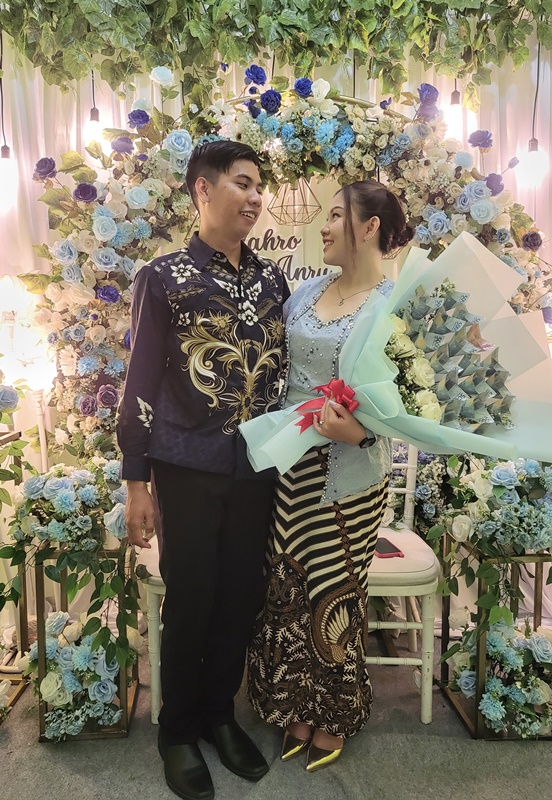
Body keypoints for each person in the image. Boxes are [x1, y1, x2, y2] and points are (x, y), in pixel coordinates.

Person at [116, 140, 289, 800]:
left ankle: (219, 715)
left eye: (259, 186)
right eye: (242, 183)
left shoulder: (272, 282)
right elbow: (140, 383)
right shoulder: (162, 278)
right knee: (191, 599)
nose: (254, 197)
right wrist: (136, 481)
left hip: (256, 467)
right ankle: (177, 730)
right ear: (202, 190)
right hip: (185, 464)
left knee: (241, 595)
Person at [246, 180, 414, 771]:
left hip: (351, 472)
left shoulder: (393, 306)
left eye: (337, 215)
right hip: (288, 466)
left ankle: (334, 713)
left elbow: (408, 403)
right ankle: (293, 702)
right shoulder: (305, 293)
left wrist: (362, 433)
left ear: (369, 228)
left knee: (335, 589)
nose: (323, 225)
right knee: (287, 586)